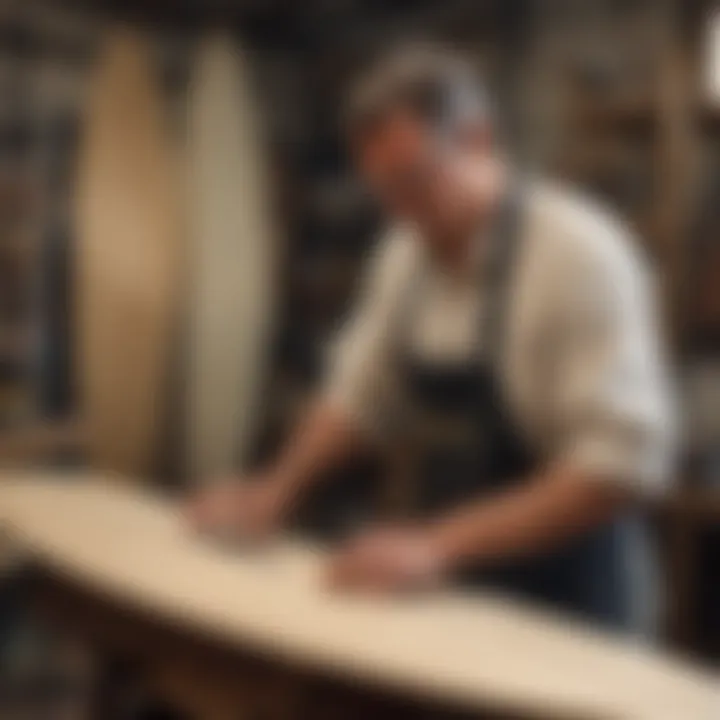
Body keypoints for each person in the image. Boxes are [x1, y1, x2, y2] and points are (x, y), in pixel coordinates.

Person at [186, 46, 674, 635]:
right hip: (467, 585)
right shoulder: (404, 257)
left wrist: (438, 544)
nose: (403, 211)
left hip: (572, 602)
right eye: (384, 192)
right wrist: (275, 489)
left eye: (415, 181)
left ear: (477, 140)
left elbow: (622, 464)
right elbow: (358, 395)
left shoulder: (576, 254)